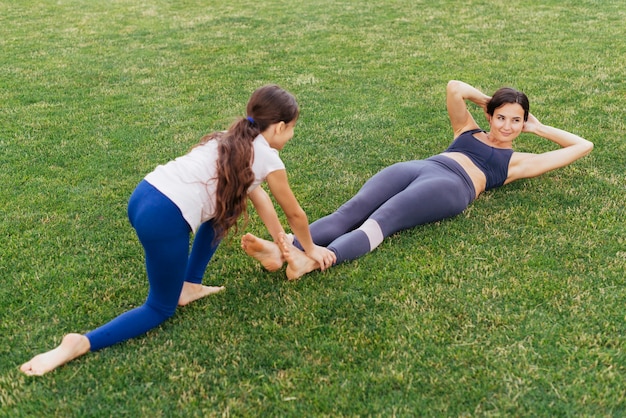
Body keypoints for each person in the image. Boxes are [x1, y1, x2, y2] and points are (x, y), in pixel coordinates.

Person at [20, 85, 336, 376]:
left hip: (144, 193)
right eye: (292, 129)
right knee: (159, 307)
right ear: (280, 127)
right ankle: (80, 342)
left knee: (222, 210)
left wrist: (282, 243)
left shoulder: (230, 138)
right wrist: (310, 249)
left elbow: (258, 195)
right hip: (163, 217)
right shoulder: (268, 156)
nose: (291, 136)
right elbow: (295, 213)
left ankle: (190, 284)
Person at [242, 80, 594, 280]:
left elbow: (582, 146)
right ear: (489, 114)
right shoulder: (467, 129)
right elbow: (455, 88)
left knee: (384, 219)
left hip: (450, 187)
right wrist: (492, 101)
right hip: (420, 167)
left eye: (515, 121)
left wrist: (538, 126)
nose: (506, 126)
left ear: (523, 124)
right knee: (349, 211)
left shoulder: (516, 162)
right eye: (500, 117)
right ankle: (282, 249)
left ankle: (312, 260)